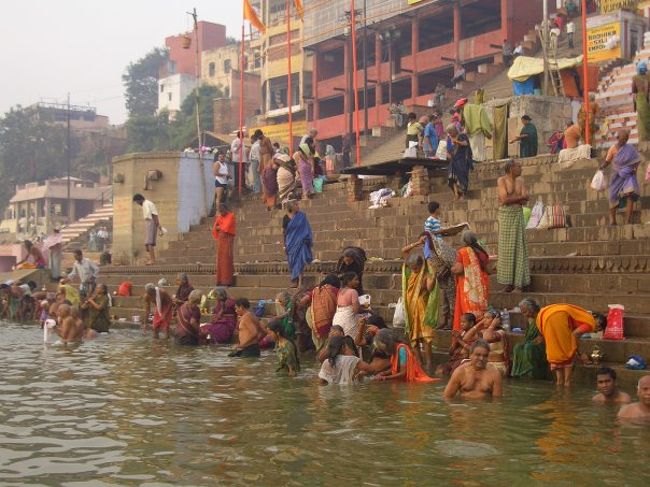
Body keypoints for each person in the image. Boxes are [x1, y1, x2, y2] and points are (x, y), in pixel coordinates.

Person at [401, 237, 439, 371]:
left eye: (416, 268)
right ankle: (419, 365)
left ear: (421, 265)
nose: (413, 270)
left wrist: (433, 274)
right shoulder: (410, 271)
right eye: (412, 268)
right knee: (414, 340)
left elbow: (429, 288)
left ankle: (429, 365)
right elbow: (403, 250)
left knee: (426, 338)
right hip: (411, 310)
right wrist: (417, 243)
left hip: (423, 309)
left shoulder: (426, 275)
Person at [535, 303, 595, 386]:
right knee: (567, 381)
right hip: (557, 317)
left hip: (545, 315)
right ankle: (566, 397)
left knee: (559, 381)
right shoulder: (590, 323)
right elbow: (575, 335)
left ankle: (559, 396)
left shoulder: (576, 316)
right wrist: (578, 353)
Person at [496, 160, 530, 293]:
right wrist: (519, 198)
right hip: (506, 217)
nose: (521, 168)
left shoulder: (520, 182)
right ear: (511, 168)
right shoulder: (502, 181)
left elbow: (526, 198)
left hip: (517, 215)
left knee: (519, 248)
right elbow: (504, 199)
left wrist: (514, 198)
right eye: (518, 166)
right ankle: (509, 283)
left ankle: (518, 285)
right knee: (506, 250)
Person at [600, 130, 641, 226]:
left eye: (626, 139)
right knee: (612, 196)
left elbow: (637, 160)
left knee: (629, 194)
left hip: (628, 175)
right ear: (617, 138)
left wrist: (635, 169)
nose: (624, 141)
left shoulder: (630, 148)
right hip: (616, 176)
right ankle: (613, 220)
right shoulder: (612, 149)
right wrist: (601, 167)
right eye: (622, 139)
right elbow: (607, 161)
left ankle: (628, 220)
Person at [451, 231, 489, 331]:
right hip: (481, 284)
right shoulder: (481, 251)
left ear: (464, 241)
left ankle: (469, 335)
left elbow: (458, 269)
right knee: (480, 309)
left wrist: (452, 268)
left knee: (468, 311)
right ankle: (480, 330)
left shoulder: (463, 251)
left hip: (467, 286)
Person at [372, 328, 436, 382]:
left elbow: (403, 373)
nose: (385, 352)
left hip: (417, 381)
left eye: (384, 349)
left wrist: (386, 378)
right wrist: (383, 373)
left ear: (387, 343)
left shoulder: (402, 349)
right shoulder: (395, 350)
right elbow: (394, 369)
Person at [511, 298, 549, 379]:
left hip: (542, 345)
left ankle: (532, 372)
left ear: (532, 310)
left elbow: (541, 338)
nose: (523, 314)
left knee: (528, 347)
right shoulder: (530, 320)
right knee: (517, 347)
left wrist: (530, 343)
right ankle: (518, 373)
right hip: (531, 343)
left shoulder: (541, 317)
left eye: (525, 312)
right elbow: (528, 336)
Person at [283, 200, 313, 288]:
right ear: (291, 207)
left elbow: (306, 228)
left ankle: (300, 282)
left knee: (300, 261)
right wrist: (284, 245)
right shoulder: (286, 218)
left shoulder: (301, 216)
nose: (298, 206)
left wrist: (306, 238)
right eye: (295, 205)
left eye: (297, 204)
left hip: (301, 242)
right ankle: (294, 281)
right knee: (292, 262)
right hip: (290, 243)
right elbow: (284, 232)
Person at [306, 273, 340, 350]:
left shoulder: (316, 289)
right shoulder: (335, 291)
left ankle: (320, 355)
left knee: (319, 344)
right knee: (327, 344)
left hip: (313, 319)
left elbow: (303, 301)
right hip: (327, 321)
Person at [133, 194, 163, 265]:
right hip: (149, 223)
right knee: (147, 243)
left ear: (139, 199)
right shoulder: (145, 204)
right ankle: (151, 258)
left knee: (149, 242)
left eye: (137, 202)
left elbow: (155, 215)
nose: (137, 203)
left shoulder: (148, 203)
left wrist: (159, 226)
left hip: (151, 222)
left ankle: (152, 260)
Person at [332, 272, 362, 340]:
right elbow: (356, 310)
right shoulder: (353, 291)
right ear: (349, 281)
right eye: (356, 280)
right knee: (350, 342)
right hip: (348, 321)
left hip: (337, 320)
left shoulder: (340, 291)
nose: (358, 282)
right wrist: (367, 309)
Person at [211, 204, 236, 286]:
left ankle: (227, 281)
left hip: (228, 241)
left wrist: (219, 227)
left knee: (227, 260)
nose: (221, 213)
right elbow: (214, 228)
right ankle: (220, 280)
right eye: (220, 211)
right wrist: (218, 228)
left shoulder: (231, 216)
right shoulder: (219, 217)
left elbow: (226, 227)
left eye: (222, 211)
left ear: (226, 209)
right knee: (220, 260)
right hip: (221, 241)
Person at [446, 124, 473, 199]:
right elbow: (447, 150)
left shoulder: (462, 135)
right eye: (449, 133)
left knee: (461, 175)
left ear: (455, 130)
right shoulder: (448, 139)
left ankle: (463, 192)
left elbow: (466, 143)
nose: (450, 134)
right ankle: (456, 194)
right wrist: (447, 154)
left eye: (451, 132)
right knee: (451, 177)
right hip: (453, 159)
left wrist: (457, 142)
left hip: (462, 159)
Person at [632, 61, 650, 143]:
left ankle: (644, 140)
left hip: (640, 101)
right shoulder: (648, 76)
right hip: (645, 101)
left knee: (642, 123)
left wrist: (635, 106)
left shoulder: (635, 78)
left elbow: (634, 92)